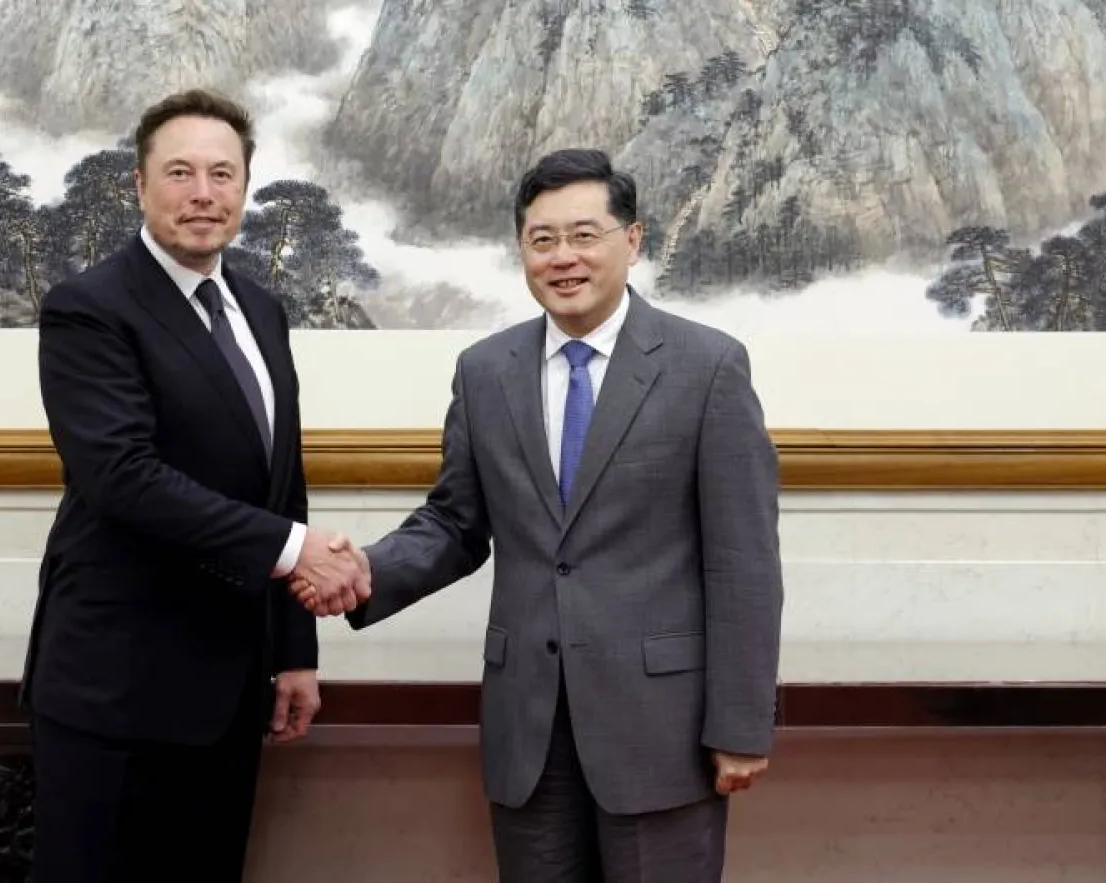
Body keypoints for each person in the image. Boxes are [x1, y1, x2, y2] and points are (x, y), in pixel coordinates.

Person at [293, 147, 784, 882]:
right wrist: (366, 570)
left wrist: (741, 726)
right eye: (542, 239)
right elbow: (455, 523)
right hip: (528, 729)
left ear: (633, 240)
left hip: (662, 731)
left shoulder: (707, 367)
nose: (563, 257)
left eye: (584, 235)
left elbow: (744, 564)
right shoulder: (485, 371)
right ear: (522, 249)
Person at [23, 88, 369, 883]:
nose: (203, 193)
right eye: (179, 172)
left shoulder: (261, 308)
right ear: (138, 187)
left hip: (227, 689)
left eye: (223, 173)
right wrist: (296, 552)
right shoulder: (89, 309)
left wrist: (295, 652)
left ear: (246, 187)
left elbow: (283, 482)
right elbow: (121, 476)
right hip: (116, 689)